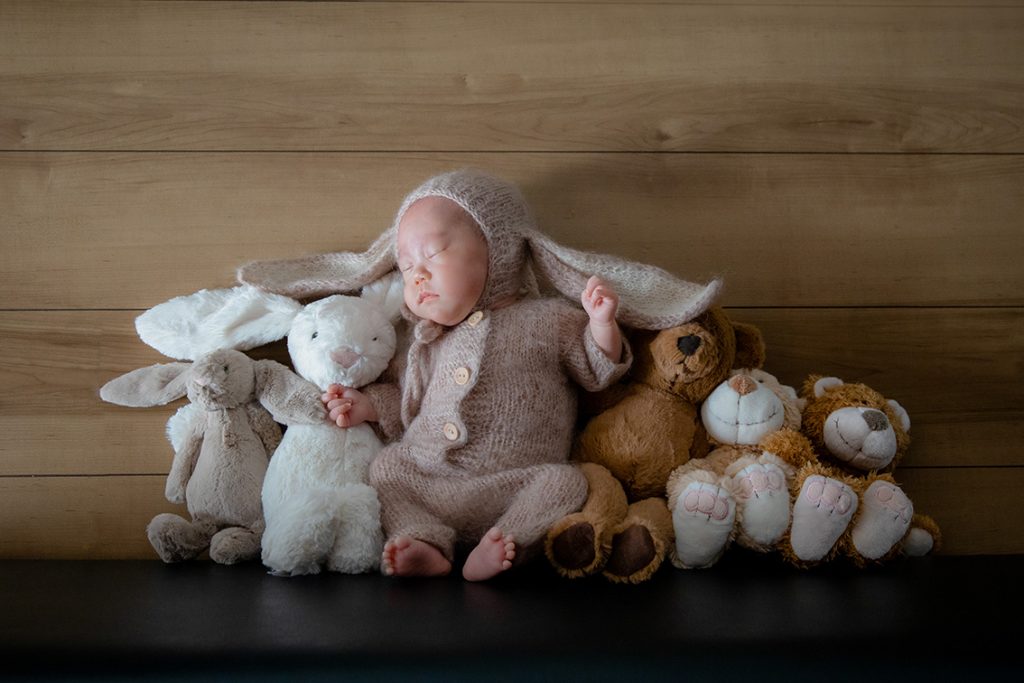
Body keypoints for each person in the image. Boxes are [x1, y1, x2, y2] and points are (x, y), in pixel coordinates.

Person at [238, 169, 722, 581]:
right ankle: (424, 541)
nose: (417, 277)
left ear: (499, 248)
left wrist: (600, 326)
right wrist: (369, 406)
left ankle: (505, 542)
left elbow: (596, 372)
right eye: (406, 268)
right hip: (429, 478)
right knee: (387, 469)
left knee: (565, 485)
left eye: (432, 255)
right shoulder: (425, 338)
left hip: (514, 483)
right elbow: (409, 403)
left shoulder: (549, 318)